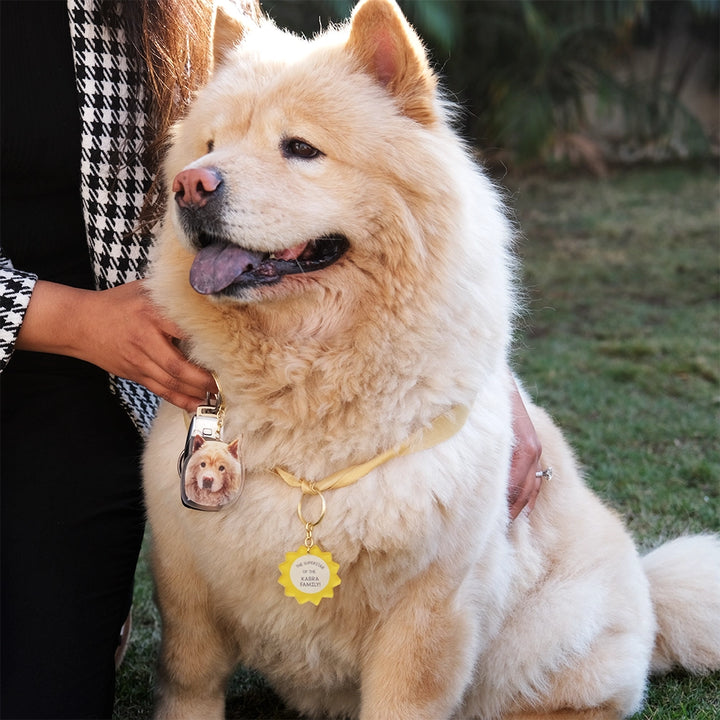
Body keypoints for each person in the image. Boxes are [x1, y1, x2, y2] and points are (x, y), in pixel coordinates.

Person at [0, 1, 541, 717]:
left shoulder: (191, 10)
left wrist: (479, 384)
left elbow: (434, 233)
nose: (203, 175)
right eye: (209, 145)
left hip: (127, 376)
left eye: (300, 148)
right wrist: (64, 317)